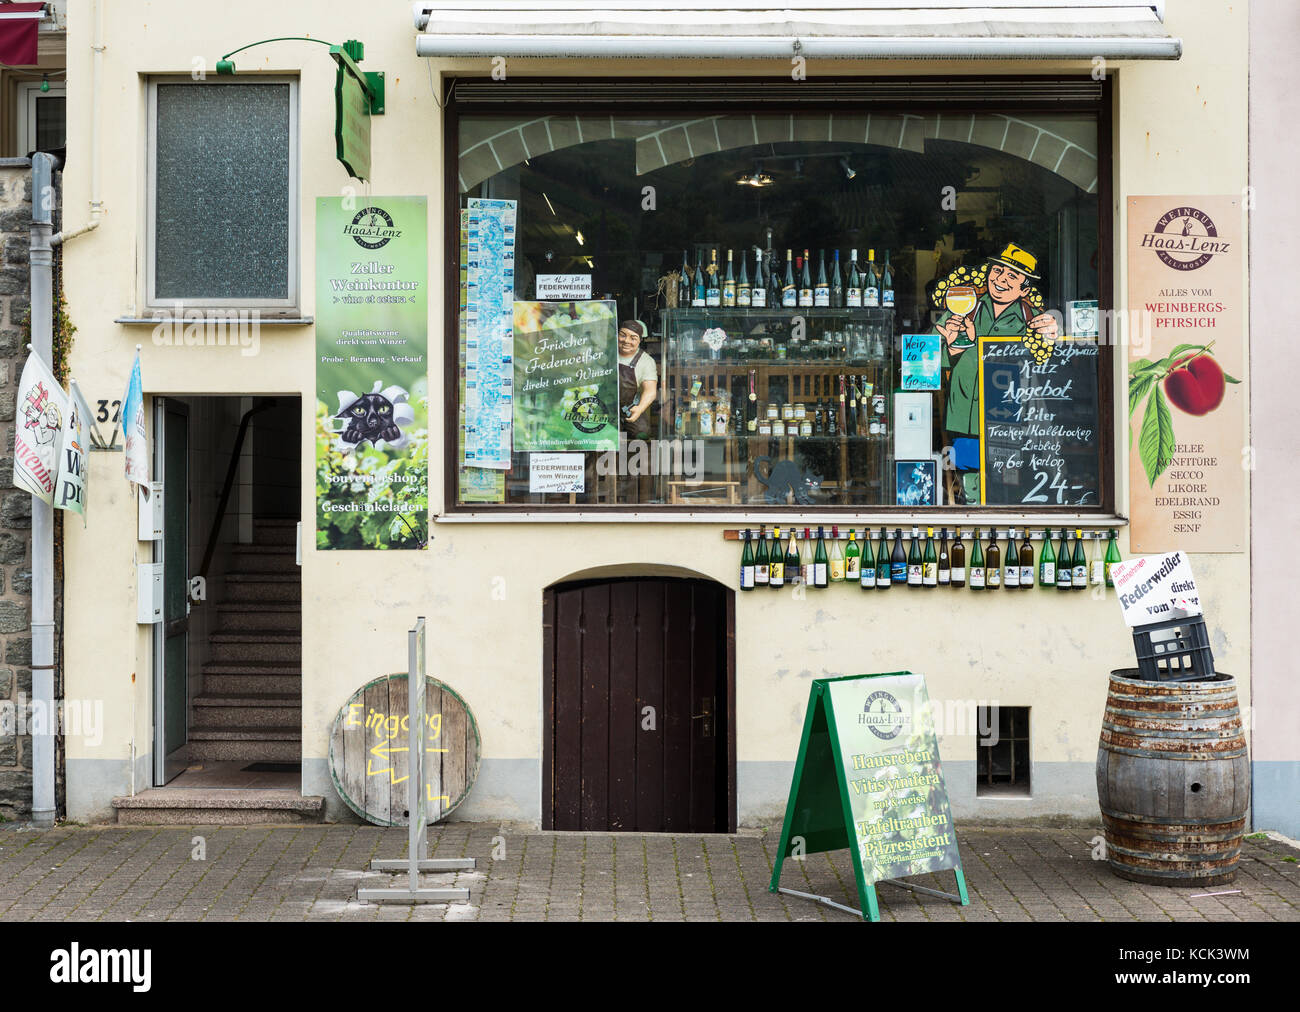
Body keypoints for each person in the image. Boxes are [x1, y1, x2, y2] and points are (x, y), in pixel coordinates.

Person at [935, 243, 1058, 502]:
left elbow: (1046, 368)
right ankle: (971, 514)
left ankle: (1003, 516)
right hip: (964, 412)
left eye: (1012, 275)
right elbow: (928, 358)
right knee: (969, 476)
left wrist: (1051, 341)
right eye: (997, 270)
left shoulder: (1032, 318)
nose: (1000, 279)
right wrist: (950, 346)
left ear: (1025, 287)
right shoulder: (965, 306)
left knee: (1006, 478)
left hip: (1007, 414)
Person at [617, 320, 658, 440]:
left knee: (642, 433)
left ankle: (637, 458)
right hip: (605, 407)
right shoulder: (607, 353)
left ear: (640, 340)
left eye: (633, 338)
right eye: (622, 335)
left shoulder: (646, 361)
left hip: (630, 407)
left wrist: (639, 409)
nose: (626, 341)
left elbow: (650, 391)